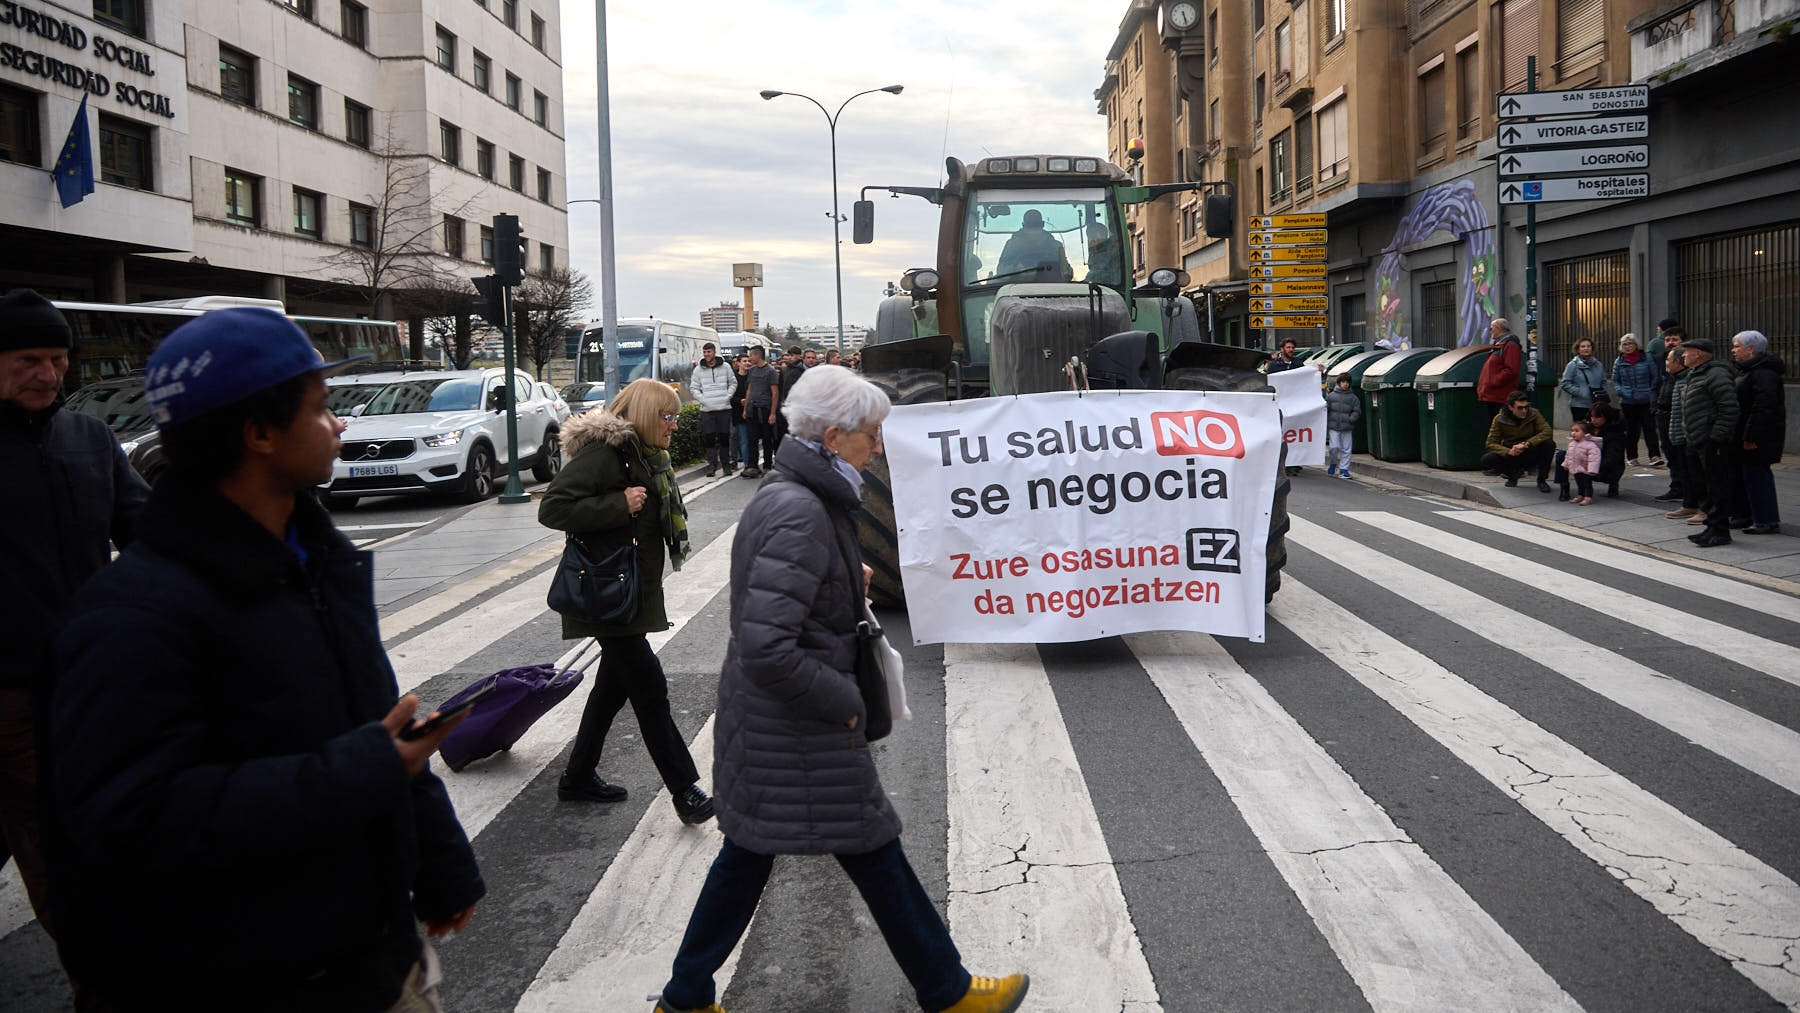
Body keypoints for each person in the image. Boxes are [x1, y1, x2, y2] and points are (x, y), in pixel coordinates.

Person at [49, 307, 483, 1009]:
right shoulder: (131, 615)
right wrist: (361, 769)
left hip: (373, 952)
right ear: (257, 434)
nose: (339, 423)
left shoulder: (314, 559)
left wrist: (439, 856)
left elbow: (383, 723)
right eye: (320, 409)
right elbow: (135, 820)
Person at [653, 365, 1028, 1013]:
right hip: (801, 727)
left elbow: (777, 604)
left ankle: (685, 996)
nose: (878, 446)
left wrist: (839, 576)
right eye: (870, 435)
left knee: (750, 856)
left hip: (775, 728)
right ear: (833, 435)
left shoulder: (797, 495)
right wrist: (845, 701)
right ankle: (949, 990)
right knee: (872, 850)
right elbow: (769, 644)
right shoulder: (801, 509)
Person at [0, 290, 149, 960]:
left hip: (87, 683)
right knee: (54, 832)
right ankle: (113, 970)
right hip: (11, 691)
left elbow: (145, 528)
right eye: (28, 358)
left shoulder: (88, 437)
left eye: (57, 359)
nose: (47, 373)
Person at [538, 378, 714, 824]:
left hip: (628, 589)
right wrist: (619, 503)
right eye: (667, 415)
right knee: (650, 688)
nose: (674, 424)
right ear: (643, 415)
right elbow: (553, 507)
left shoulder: (645, 454)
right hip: (607, 592)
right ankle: (684, 790)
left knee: (612, 688)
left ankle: (577, 778)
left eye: (676, 415)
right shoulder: (607, 452)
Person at [1678, 337, 1741, 548]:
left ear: (1699, 354)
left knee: (1717, 486)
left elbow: (1729, 407)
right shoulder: (1694, 374)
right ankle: (1711, 527)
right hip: (1695, 440)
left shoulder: (1716, 374)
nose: (1683, 355)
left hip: (1711, 442)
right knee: (1702, 485)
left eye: (1687, 351)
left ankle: (1720, 531)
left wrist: (1717, 436)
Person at [1732, 329, 1786, 535]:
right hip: (1747, 433)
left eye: (1737, 346)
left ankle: (1766, 520)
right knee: (1747, 476)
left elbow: (1764, 407)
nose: (1733, 350)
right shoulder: (1749, 370)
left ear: (1751, 349)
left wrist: (1750, 436)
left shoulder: (1763, 373)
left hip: (1758, 436)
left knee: (1758, 477)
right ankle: (1748, 515)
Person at [1481, 391, 1556, 492]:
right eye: (1520, 408)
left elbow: (1547, 431)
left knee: (1549, 444)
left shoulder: (1534, 414)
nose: (1524, 410)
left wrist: (1526, 444)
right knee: (1487, 459)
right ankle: (1512, 475)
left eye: (1526, 407)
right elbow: (1490, 443)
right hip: (1512, 452)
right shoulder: (1500, 419)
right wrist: (1507, 451)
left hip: (1529, 448)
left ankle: (1542, 480)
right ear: (1511, 408)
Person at [1610, 333, 1661, 466]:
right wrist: (1621, 391)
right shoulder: (1619, 361)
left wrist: (1651, 392)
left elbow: (1655, 376)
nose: (1627, 347)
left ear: (1636, 345)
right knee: (1631, 430)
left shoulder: (1647, 358)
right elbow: (1616, 380)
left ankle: (1655, 456)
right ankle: (1632, 456)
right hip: (1628, 401)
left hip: (1646, 399)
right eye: (1624, 344)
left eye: (1630, 344)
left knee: (1650, 428)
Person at [691, 341, 736, 477]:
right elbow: (694, 388)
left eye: (708, 352)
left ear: (714, 352)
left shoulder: (726, 367)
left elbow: (733, 382)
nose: (706, 355)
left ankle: (726, 465)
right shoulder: (698, 369)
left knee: (724, 438)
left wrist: (727, 396)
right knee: (709, 439)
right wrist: (704, 400)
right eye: (704, 352)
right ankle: (712, 466)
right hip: (707, 410)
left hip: (724, 408)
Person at [995, 208, 1072, 282]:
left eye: (1036, 227)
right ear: (1043, 224)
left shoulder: (1056, 246)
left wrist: (1063, 270)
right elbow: (1001, 271)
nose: (1033, 232)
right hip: (1016, 288)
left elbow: (1068, 274)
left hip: (1055, 289)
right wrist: (1016, 270)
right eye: (1030, 228)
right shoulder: (1012, 245)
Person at [1653, 343, 1687, 502]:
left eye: (1668, 359)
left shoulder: (1684, 378)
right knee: (1671, 455)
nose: (1666, 362)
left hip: (1676, 422)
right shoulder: (1669, 376)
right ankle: (1677, 487)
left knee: (1679, 457)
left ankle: (1683, 490)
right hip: (1664, 417)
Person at [741, 346, 780, 477]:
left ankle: (768, 465)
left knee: (767, 439)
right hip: (752, 408)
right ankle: (752, 466)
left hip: (765, 409)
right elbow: (749, 390)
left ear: (758, 355)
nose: (749, 358)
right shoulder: (752, 371)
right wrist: (746, 408)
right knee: (752, 438)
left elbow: (775, 393)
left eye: (751, 355)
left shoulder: (770, 371)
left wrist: (773, 413)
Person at [1476, 317, 1523, 419]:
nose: (1490, 331)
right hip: (1494, 395)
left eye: (1491, 328)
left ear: (1499, 329)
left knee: (1501, 426)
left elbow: (1511, 370)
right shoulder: (1499, 346)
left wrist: (1493, 381)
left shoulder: (1510, 345)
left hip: (1500, 396)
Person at [1559, 337, 1608, 422]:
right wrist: (1580, 392)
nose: (1586, 348)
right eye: (1583, 346)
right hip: (1579, 405)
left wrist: (1602, 394)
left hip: (1597, 405)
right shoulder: (1572, 365)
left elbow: (1603, 381)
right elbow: (1565, 383)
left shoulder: (1598, 365)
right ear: (1578, 349)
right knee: (1582, 431)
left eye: (1588, 346)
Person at [1586, 399, 1628, 498]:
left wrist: (1593, 466)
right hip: (1591, 460)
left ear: (1606, 417)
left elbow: (1613, 457)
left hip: (1607, 466)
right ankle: (1577, 489)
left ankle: (1613, 485)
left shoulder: (1616, 432)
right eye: (1592, 416)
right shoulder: (1588, 428)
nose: (1594, 420)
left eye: (1598, 417)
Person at [1324, 374, 1361, 478]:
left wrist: (1351, 419)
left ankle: (1344, 469)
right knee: (1334, 447)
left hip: (1347, 427)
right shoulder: (1331, 396)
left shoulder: (1353, 398)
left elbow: (1357, 411)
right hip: (1333, 426)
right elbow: (1326, 408)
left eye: (1347, 382)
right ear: (1339, 383)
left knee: (1346, 449)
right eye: (1343, 382)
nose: (1345, 384)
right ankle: (1333, 463)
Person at [1563, 421, 1602, 505]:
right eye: (1572, 430)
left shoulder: (1590, 445)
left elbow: (1594, 458)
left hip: (1585, 468)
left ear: (1585, 433)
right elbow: (1568, 455)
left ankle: (1588, 497)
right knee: (1579, 483)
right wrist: (1566, 464)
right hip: (1576, 467)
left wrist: (1592, 469)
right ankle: (1580, 495)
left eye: (1577, 431)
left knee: (1587, 483)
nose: (1573, 433)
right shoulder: (1572, 444)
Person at [729, 354, 751, 474]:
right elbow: (729, 396)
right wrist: (740, 401)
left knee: (746, 439)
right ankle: (735, 460)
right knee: (735, 437)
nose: (747, 363)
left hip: (750, 412)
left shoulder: (752, 376)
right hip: (736, 412)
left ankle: (748, 463)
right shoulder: (733, 378)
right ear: (738, 363)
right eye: (744, 361)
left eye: (748, 361)